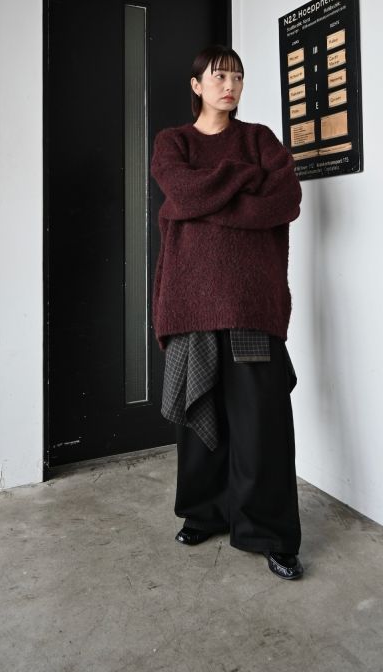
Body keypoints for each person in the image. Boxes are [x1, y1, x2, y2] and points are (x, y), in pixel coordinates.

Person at [150, 44, 304, 580]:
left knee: (263, 425)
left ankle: (270, 534)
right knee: (199, 416)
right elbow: (181, 191)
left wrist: (204, 202)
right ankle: (204, 514)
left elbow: (284, 201)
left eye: (237, 76)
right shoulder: (173, 142)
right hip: (191, 301)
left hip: (251, 303)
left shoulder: (259, 139)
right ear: (196, 85)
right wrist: (241, 180)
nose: (230, 85)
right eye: (218, 76)